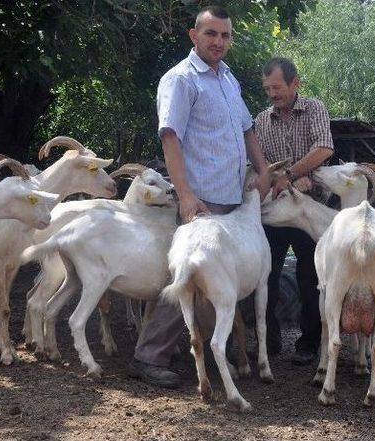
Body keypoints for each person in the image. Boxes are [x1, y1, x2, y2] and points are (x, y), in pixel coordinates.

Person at [128, 6, 271, 388]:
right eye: (211, 34)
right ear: (194, 35)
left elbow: (247, 128)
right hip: (202, 199)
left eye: (225, 35)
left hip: (231, 196)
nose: (219, 42)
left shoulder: (228, 79)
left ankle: (207, 352)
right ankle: (148, 356)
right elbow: (170, 135)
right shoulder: (180, 79)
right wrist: (186, 195)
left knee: (217, 282)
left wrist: (264, 170)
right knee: (188, 277)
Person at [255, 57, 334, 365]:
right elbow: (260, 164)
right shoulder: (261, 120)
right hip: (276, 209)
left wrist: (296, 174)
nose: (272, 94)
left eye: (277, 87)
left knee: (311, 275)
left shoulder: (314, 108)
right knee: (266, 273)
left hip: (310, 208)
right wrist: (277, 179)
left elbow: (325, 148)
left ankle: (309, 343)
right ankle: (268, 340)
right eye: (267, 88)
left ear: (294, 83)